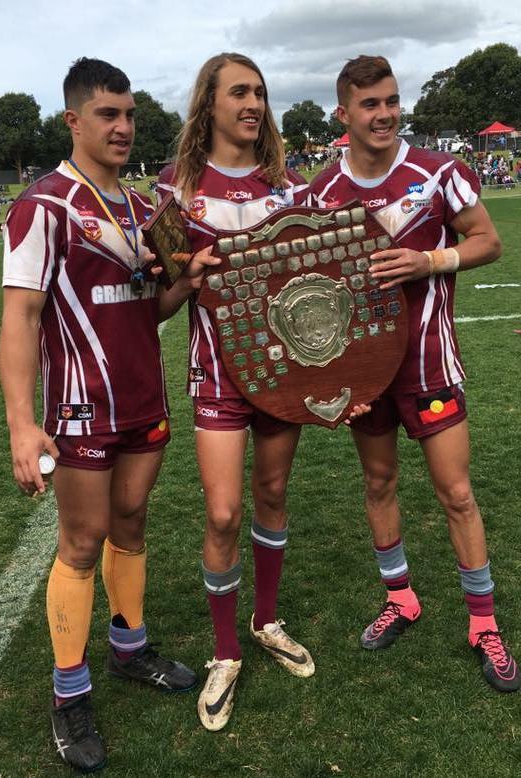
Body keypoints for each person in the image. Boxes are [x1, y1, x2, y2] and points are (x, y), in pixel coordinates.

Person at [0, 57, 218, 773]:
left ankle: (130, 649)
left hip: (143, 400)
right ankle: (69, 694)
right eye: (108, 115)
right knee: (82, 541)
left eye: (129, 115)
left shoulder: (144, 205)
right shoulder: (44, 206)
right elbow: (20, 317)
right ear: (73, 120)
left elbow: (147, 306)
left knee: (131, 525)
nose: (123, 127)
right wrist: (21, 423)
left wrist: (187, 280)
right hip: (80, 407)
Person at [158, 52, 369, 732]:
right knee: (222, 515)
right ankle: (226, 653)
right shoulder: (175, 191)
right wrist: (187, 278)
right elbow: (156, 305)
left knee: (273, 495)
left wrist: (344, 380)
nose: (253, 103)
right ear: (210, 104)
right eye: (239, 92)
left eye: (260, 92)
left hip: (282, 374)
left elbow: (330, 294)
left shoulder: (293, 189)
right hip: (217, 375)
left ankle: (265, 619)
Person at [309, 55, 519, 693]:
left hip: (428, 364)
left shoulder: (440, 172)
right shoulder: (321, 192)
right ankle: (401, 598)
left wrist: (430, 259)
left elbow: (487, 240)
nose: (385, 114)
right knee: (378, 482)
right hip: (365, 373)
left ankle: (483, 623)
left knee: (456, 494)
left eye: (392, 101)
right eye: (370, 104)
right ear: (343, 114)